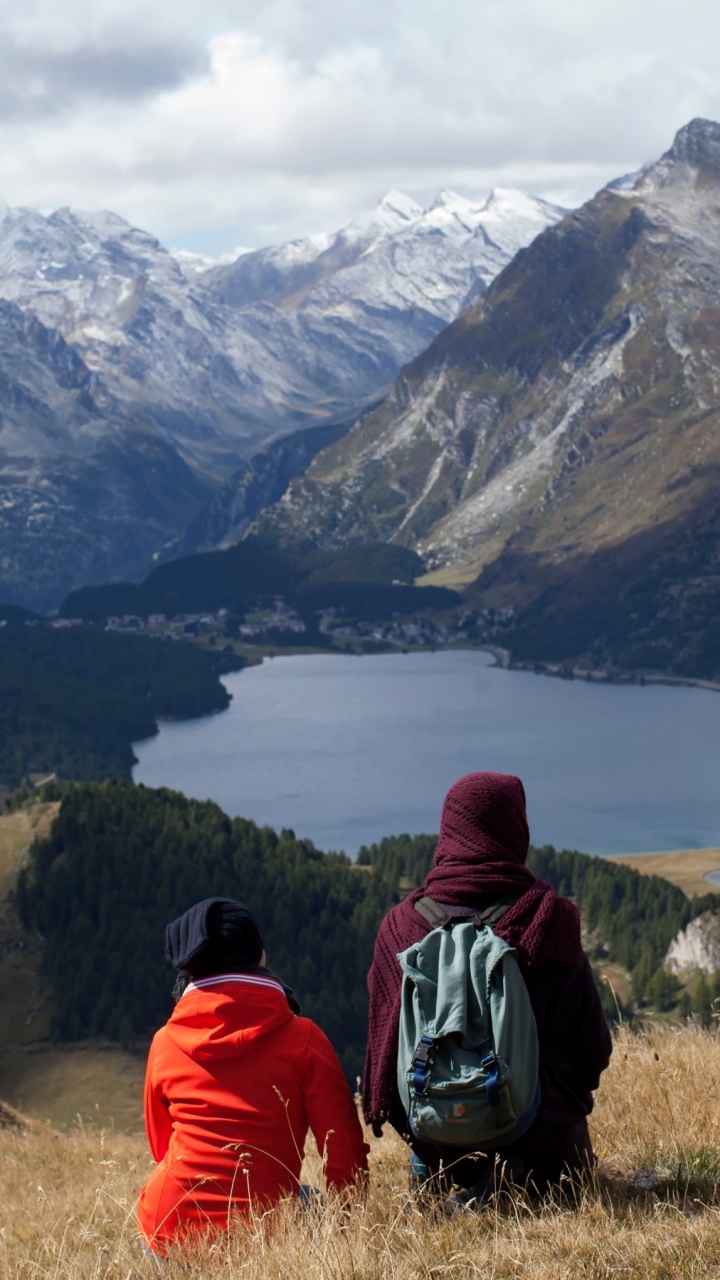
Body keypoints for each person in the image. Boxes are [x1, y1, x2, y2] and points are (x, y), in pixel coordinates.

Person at [362, 771, 612, 1206]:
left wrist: (430, 1135)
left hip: (434, 1137)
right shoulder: (548, 920)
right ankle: (519, 1171)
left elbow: (383, 1059)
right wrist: (555, 1113)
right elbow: (593, 1049)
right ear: (516, 828)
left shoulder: (400, 928)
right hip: (543, 1141)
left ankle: (441, 1171)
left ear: (449, 830)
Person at [138, 897, 369, 1254]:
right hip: (264, 1234)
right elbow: (345, 1152)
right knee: (308, 1200)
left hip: (169, 1229)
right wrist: (347, 1231)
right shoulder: (304, 1038)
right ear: (259, 956)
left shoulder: (164, 1042)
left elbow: (160, 1146)